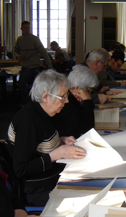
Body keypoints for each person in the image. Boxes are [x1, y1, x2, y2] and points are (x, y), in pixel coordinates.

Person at [8, 69, 86, 206]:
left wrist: (61, 140)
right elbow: (21, 169)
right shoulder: (28, 122)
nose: (67, 101)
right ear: (45, 97)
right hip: (35, 189)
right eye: (63, 97)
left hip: (49, 176)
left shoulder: (44, 112)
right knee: (84, 193)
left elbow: (40, 141)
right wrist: (57, 154)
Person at [53, 64, 99, 138]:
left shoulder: (72, 99)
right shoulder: (67, 102)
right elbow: (88, 130)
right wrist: (88, 101)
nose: (88, 94)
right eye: (88, 91)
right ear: (78, 88)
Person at [14, 21, 53, 104]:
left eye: (28, 28)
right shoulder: (19, 40)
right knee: (21, 85)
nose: (27, 30)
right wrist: (17, 56)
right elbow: (15, 50)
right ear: (21, 29)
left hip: (33, 66)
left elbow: (43, 52)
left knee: (22, 84)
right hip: (24, 65)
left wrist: (50, 66)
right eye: (25, 28)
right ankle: (27, 102)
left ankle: (28, 103)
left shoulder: (34, 39)